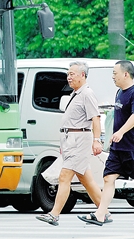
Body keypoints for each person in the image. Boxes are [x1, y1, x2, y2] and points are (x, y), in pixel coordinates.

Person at [78, 60, 134, 226]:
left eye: (115, 73)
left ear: (125, 74)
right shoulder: (119, 93)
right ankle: (101, 214)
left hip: (133, 147)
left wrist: (121, 132)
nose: (113, 77)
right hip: (117, 148)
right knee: (108, 178)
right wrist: (112, 135)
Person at [36, 61, 103, 226]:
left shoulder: (87, 94)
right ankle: (104, 211)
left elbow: (96, 118)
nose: (68, 77)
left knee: (64, 176)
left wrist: (97, 140)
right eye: (68, 74)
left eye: (72, 74)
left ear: (82, 75)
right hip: (71, 141)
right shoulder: (76, 93)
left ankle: (54, 215)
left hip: (79, 141)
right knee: (86, 179)